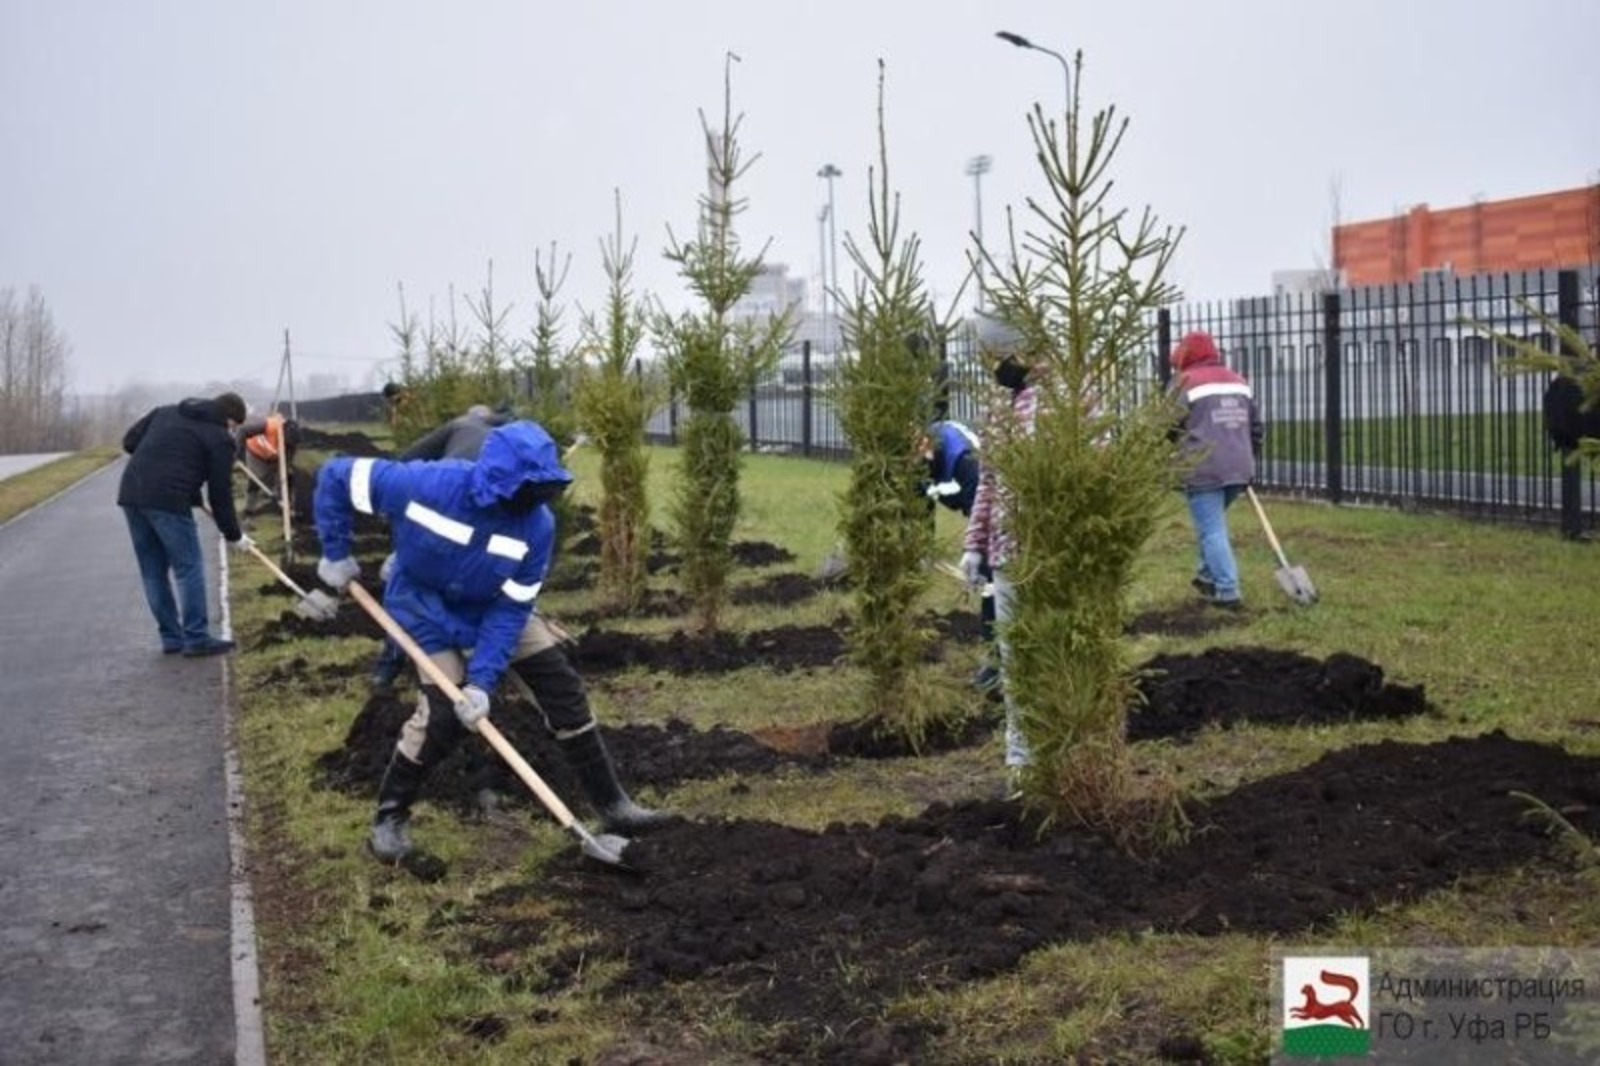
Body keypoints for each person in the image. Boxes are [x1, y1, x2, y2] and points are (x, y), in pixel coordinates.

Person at [312, 420, 670, 862]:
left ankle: (614, 806)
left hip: (493, 606)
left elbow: (511, 611)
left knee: (562, 690)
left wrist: (482, 681)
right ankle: (389, 821)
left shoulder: (537, 526)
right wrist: (335, 551)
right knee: (442, 713)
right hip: (424, 607)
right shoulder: (425, 484)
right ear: (497, 481)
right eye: (526, 491)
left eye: (541, 492)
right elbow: (336, 475)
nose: (533, 503)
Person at [370, 404, 516, 691]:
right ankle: (483, 668)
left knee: (411, 586)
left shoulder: (460, 425)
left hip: (444, 511)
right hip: (492, 520)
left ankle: (388, 667)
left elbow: (407, 460)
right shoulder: (511, 442)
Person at [117, 391, 253, 656]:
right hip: (168, 500)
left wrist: (168, 466)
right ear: (229, 419)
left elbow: (130, 442)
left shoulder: (165, 411)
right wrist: (234, 535)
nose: (233, 432)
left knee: (152, 571)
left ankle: (171, 638)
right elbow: (220, 493)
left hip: (132, 493)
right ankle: (197, 638)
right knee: (188, 567)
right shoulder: (219, 438)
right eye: (234, 426)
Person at [959, 349, 1040, 787]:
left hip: (1051, 556)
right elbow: (988, 481)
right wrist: (975, 545)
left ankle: (1063, 763)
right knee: (1014, 663)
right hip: (1006, 555)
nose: (1002, 362)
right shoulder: (1001, 404)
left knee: (1051, 659)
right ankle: (1021, 766)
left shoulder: (1071, 399)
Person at [1168, 330, 1264, 610]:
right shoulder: (1238, 381)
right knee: (1211, 525)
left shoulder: (1184, 382)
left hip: (1203, 467)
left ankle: (1228, 590)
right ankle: (1206, 576)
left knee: (1211, 530)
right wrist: (1248, 457)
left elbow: (1167, 425)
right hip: (1240, 466)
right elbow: (1256, 428)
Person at [918, 418, 999, 691]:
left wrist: (975, 551)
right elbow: (928, 496)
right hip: (977, 503)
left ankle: (997, 665)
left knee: (992, 587)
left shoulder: (965, 461)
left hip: (997, 515)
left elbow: (981, 506)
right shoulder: (930, 448)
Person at [237, 410, 299, 514]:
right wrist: (238, 454)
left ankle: (287, 507)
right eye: (286, 443)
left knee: (288, 477)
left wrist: (278, 491)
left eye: (289, 445)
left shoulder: (291, 445)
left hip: (273, 456)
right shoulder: (270, 425)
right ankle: (250, 509)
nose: (287, 446)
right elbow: (242, 430)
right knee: (255, 479)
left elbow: (283, 469)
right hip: (256, 452)